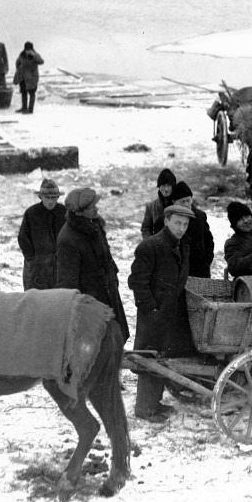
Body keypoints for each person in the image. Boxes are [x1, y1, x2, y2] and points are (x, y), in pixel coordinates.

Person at [128, 204, 197, 423]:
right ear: (166, 220)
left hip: (171, 312)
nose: (181, 228)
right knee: (148, 358)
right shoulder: (150, 246)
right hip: (154, 315)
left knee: (162, 358)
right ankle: (144, 408)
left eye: (185, 224)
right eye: (177, 223)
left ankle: (154, 403)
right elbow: (137, 281)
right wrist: (151, 308)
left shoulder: (182, 246)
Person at [55, 187, 130, 343]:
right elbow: (68, 282)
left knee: (115, 339)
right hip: (91, 301)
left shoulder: (94, 224)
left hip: (108, 292)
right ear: (79, 212)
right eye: (91, 207)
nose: (96, 208)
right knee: (96, 345)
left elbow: (106, 255)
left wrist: (114, 277)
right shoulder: (67, 239)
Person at [17, 178, 67, 290]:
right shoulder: (31, 213)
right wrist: (32, 259)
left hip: (58, 267)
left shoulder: (63, 212)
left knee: (57, 301)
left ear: (58, 197)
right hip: (37, 269)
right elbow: (22, 238)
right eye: (47, 198)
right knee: (35, 301)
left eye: (53, 198)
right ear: (41, 197)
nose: (50, 201)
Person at [171, 180, 214, 278]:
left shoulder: (200, 216)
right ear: (174, 202)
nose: (186, 204)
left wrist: (207, 261)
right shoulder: (168, 219)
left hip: (201, 269)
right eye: (183, 201)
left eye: (188, 200)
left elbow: (209, 240)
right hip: (179, 271)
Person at [224, 201, 252, 278]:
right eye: (240, 219)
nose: (246, 221)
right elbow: (233, 267)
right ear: (235, 225)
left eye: (247, 216)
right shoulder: (232, 243)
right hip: (249, 284)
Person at [141, 168, 177, 239]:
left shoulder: (179, 204)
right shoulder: (151, 207)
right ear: (159, 187)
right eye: (163, 185)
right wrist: (150, 243)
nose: (166, 189)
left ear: (173, 187)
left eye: (169, 185)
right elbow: (146, 229)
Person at [14, 41, 44, 114]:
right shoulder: (22, 55)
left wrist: (34, 55)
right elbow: (17, 62)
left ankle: (30, 109)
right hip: (23, 78)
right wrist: (19, 71)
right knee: (23, 93)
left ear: (32, 49)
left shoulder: (35, 55)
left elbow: (41, 61)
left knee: (32, 93)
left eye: (29, 50)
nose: (28, 52)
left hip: (32, 78)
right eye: (27, 50)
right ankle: (24, 108)